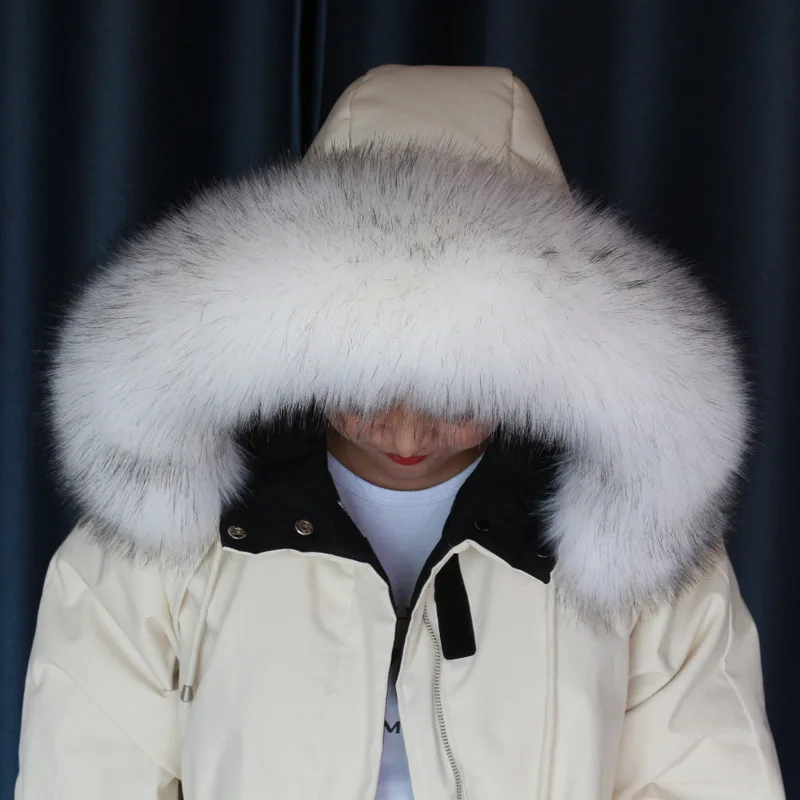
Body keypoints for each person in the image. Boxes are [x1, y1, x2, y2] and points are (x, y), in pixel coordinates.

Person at [16, 65, 785, 799]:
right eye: (370, 382)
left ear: (536, 364)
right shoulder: (164, 537)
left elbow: (707, 781)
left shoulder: (641, 549)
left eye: (457, 389)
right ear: (301, 341)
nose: (408, 431)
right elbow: (84, 777)